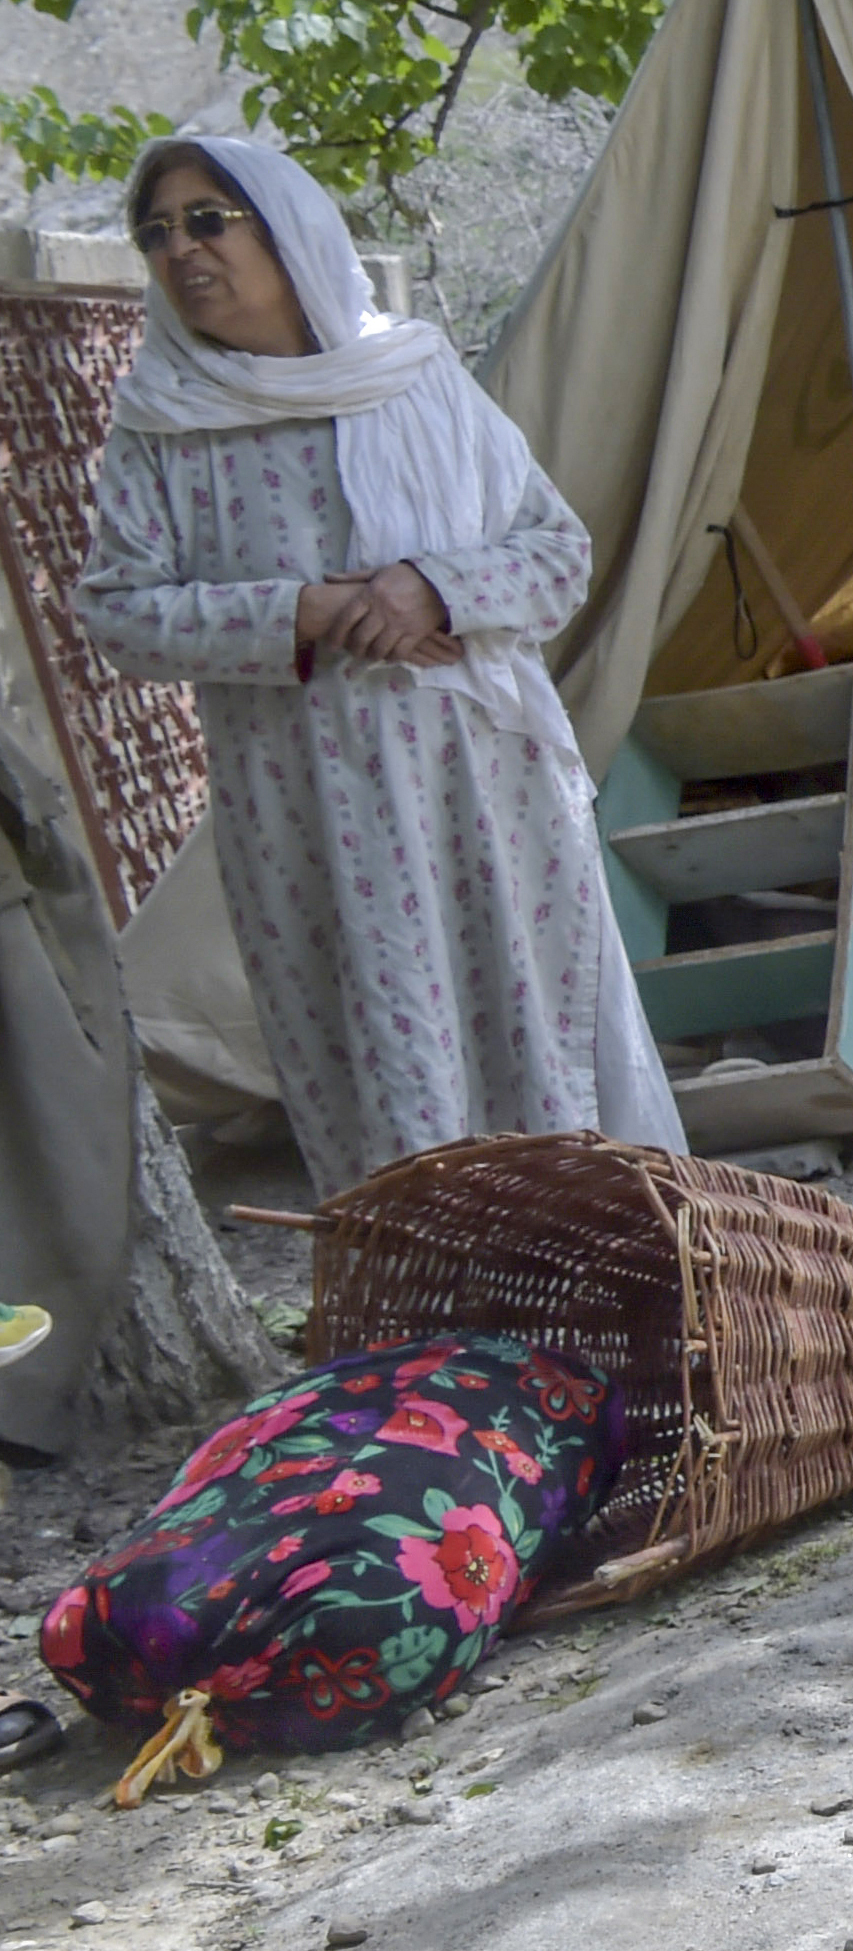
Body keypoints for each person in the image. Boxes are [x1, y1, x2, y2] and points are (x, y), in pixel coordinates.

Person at [74, 134, 680, 1200]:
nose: (182, 251)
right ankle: (431, 1319)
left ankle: (588, 1285)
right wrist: (302, 611)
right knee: (373, 1063)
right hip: (307, 810)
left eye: (209, 218)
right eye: (156, 232)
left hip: (482, 791)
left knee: (534, 1042)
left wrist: (429, 590)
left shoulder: (413, 379)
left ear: (286, 226)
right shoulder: (163, 425)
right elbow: (121, 617)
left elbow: (556, 554)